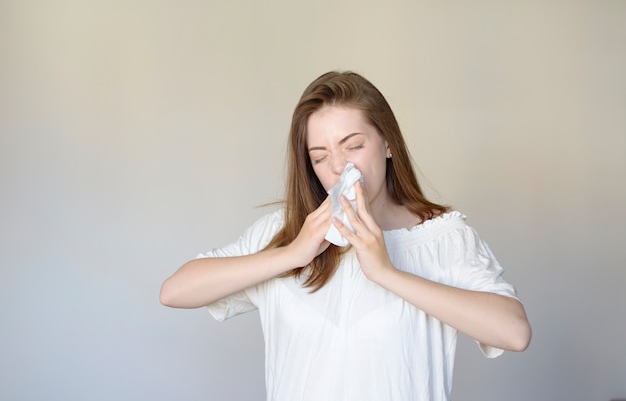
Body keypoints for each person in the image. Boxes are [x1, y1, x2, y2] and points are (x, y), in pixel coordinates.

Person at [160, 71, 531, 401]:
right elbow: (174, 292)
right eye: (320, 156)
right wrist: (292, 254)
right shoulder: (283, 232)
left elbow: (513, 332)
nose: (339, 167)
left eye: (353, 146)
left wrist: (387, 273)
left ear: (388, 144)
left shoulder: (441, 236)